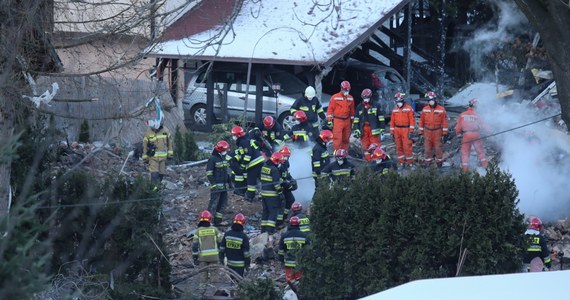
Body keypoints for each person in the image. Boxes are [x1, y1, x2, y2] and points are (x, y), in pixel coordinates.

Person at [231, 125, 265, 201]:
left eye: (234, 135)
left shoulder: (243, 142)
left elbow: (248, 155)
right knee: (263, 179)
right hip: (259, 161)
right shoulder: (245, 140)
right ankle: (265, 195)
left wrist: (242, 165)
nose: (233, 137)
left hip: (253, 164)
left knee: (251, 182)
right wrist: (235, 158)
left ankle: (250, 197)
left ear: (238, 135)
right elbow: (242, 153)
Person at [192, 210, 222, 293]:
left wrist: (195, 257)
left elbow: (194, 246)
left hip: (203, 258)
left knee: (203, 276)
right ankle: (214, 292)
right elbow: (220, 241)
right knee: (214, 275)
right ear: (210, 219)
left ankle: (202, 293)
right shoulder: (215, 230)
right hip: (214, 257)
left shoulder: (198, 231)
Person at [455, 98, 488, 171]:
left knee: (465, 153)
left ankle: (465, 170)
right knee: (480, 152)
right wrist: (491, 131)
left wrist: (458, 134)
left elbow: (458, 127)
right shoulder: (478, 115)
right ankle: (486, 167)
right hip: (476, 135)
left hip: (466, 135)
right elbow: (484, 125)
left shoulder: (462, 115)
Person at [418, 91, 449, 168]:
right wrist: (420, 133)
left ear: (435, 99)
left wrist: (445, 133)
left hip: (437, 132)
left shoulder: (441, 109)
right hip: (427, 131)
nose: (431, 102)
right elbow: (421, 121)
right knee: (427, 149)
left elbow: (444, 122)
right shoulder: (425, 109)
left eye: (432, 100)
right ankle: (428, 165)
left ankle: (439, 165)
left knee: (438, 149)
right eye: (429, 100)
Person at [278, 216, 311, 286]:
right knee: (299, 284)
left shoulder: (284, 236)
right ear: (299, 224)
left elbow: (281, 251)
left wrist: (281, 261)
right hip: (300, 264)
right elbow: (309, 250)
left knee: (290, 285)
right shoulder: (304, 236)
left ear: (289, 224)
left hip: (288, 265)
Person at [206, 140, 232, 226]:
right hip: (216, 187)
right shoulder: (213, 159)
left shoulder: (223, 158)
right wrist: (213, 184)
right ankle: (208, 222)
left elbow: (226, 172)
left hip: (224, 186)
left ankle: (218, 221)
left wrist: (230, 183)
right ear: (220, 150)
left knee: (222, 204)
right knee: (213, 204)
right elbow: (209, 173)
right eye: (225, 150)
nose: (226, 151)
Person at [142, 115, 173, 184]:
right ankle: (153, 189)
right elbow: (144, 146)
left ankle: (157, 187)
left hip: (163, 158)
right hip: (153, 158)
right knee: (154, 174)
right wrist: (145, 157)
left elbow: (170, 142)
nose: (155, 129)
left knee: (161, 175)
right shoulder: (148, 133)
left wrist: (170, 154)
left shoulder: (165, 130)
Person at [353, 88, 386, 152]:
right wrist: (356, 129)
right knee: (365, 146)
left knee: (375, 146)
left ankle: (376, 159)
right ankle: (368, 161)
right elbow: (356, 119)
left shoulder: (376, 105)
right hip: (363, 129)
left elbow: (381, 118)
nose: (365, 99)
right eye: (364, 97)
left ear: (370, 96)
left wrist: (382, 128)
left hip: (373, 129)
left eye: (367, 97)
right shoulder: (359, 107)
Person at [389, 92, 416, 169]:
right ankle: (401, 163)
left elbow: (412, 120)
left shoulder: (409, 108)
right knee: (399, 147)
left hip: (406, 129)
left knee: (407, 147)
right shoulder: (394, 110)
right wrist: (392, 133)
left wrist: (411, 131)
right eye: (397, 101)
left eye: (399, 101)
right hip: (397, 129)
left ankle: (410, 163)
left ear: (403, 100)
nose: (398, 103)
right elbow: (392, 122)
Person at [219, 213, 251, 278]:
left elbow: (222, 249)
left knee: (232, 280)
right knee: (238, 282)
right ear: (243, 224)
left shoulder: (227, 234)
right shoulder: (244, 236)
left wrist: (221, 259)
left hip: (230, 264)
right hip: (240, 265)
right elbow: (246, 253)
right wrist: (247, 265)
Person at [260, 152, 284, 234]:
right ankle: (269, 231)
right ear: (276, 161)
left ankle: (263, 230)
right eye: (280, 162)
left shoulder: (264, 166)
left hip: (264, 194)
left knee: (265, 212)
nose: (280, 164)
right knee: (273, 212)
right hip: (272, 195)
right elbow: (276, 184)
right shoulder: (274, 169)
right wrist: (280, 193)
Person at [326, 80, 355, 151]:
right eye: (345, 90)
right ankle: (337, 154)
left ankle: (344, 153)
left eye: (348, 90)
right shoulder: (334, 97)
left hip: (347, 121)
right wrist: (329, 120)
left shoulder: (350, 98)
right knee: (337, 138)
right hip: (338, 120)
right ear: (341, 89)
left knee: (346, 138)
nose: (346, 91)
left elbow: (352, 111)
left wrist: (353, 121)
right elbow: (330, 109)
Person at [277, 146, 297, 226]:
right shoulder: (278, 164)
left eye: (286, 156)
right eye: (284, 156)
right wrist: (287, 184)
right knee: (280, 204)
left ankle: (284, 217)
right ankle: (278, 222)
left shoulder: (286, 163)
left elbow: (286, 174)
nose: (285, 158)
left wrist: (292, 180)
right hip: (278, 187)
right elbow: (277, 178)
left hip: (284, 184)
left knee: (291, 199)